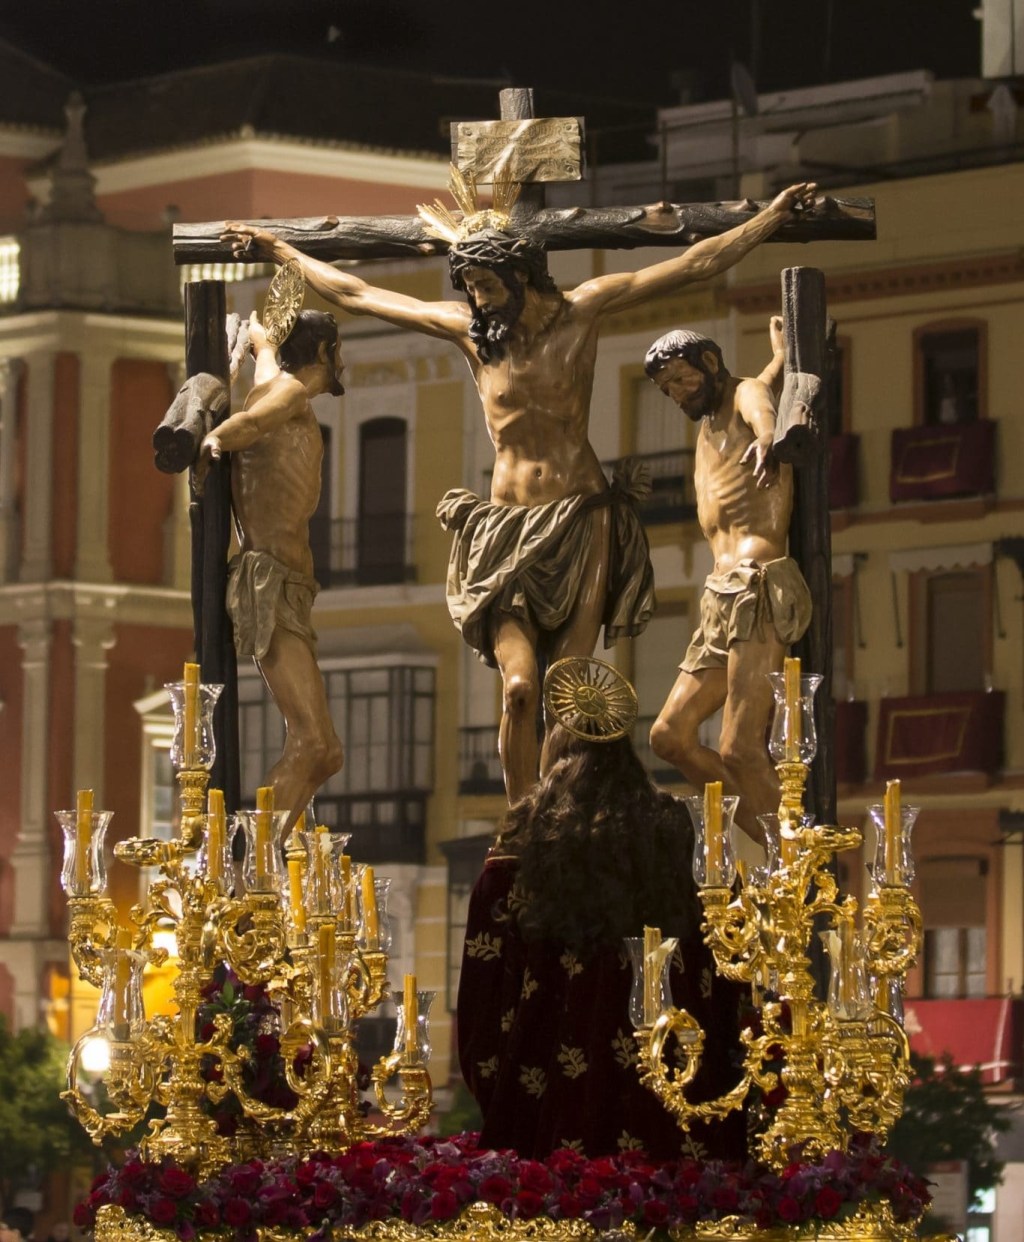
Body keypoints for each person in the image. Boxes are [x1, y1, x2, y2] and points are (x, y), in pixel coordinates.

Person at [221, 182, 817, 805]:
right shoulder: (470, 333)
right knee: (520, 689)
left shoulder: (581, 312)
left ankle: (548, 824)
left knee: (566, 694)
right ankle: (520, 819)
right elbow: (358, 294)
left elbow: (694, 263)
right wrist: (280, 251)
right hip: (506, 530)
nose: (476, 298)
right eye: (468, 287)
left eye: (484, 284)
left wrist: (771, 218)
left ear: (519, 272)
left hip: (582, 522)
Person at [456, 658, 747, 1160]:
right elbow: (727, 966)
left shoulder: (519, 850)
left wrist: (502, 1099)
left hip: (546, 1121)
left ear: (552, 745)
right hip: (674, 1099)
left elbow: (483, 1009)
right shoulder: (680, 836)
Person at [644, 328, 811, 841]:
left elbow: (759, 405)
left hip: (759, 586)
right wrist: (779, 358)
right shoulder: (711, 424)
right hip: (719, 597)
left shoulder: (744, 397)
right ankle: (779, 847)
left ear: (710, 362)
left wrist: (768, 438)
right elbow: (762, 381)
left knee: (740, 747)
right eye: (667, 388)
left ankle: (797, 866)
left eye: (681, 379)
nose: (676, 394)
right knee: (669, 736)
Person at [196, 309, 345, 832]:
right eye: (339, 349)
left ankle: (266, 855)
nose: (343, 360)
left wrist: (261, 343)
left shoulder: (276, 388)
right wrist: (216, 441)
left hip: (289, 588)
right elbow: (253, 424)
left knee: (325, 750)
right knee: (313, 742)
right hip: (271, 583)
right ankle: (254, 863)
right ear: (324, 352)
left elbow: (263, 384)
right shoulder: (291, 395)